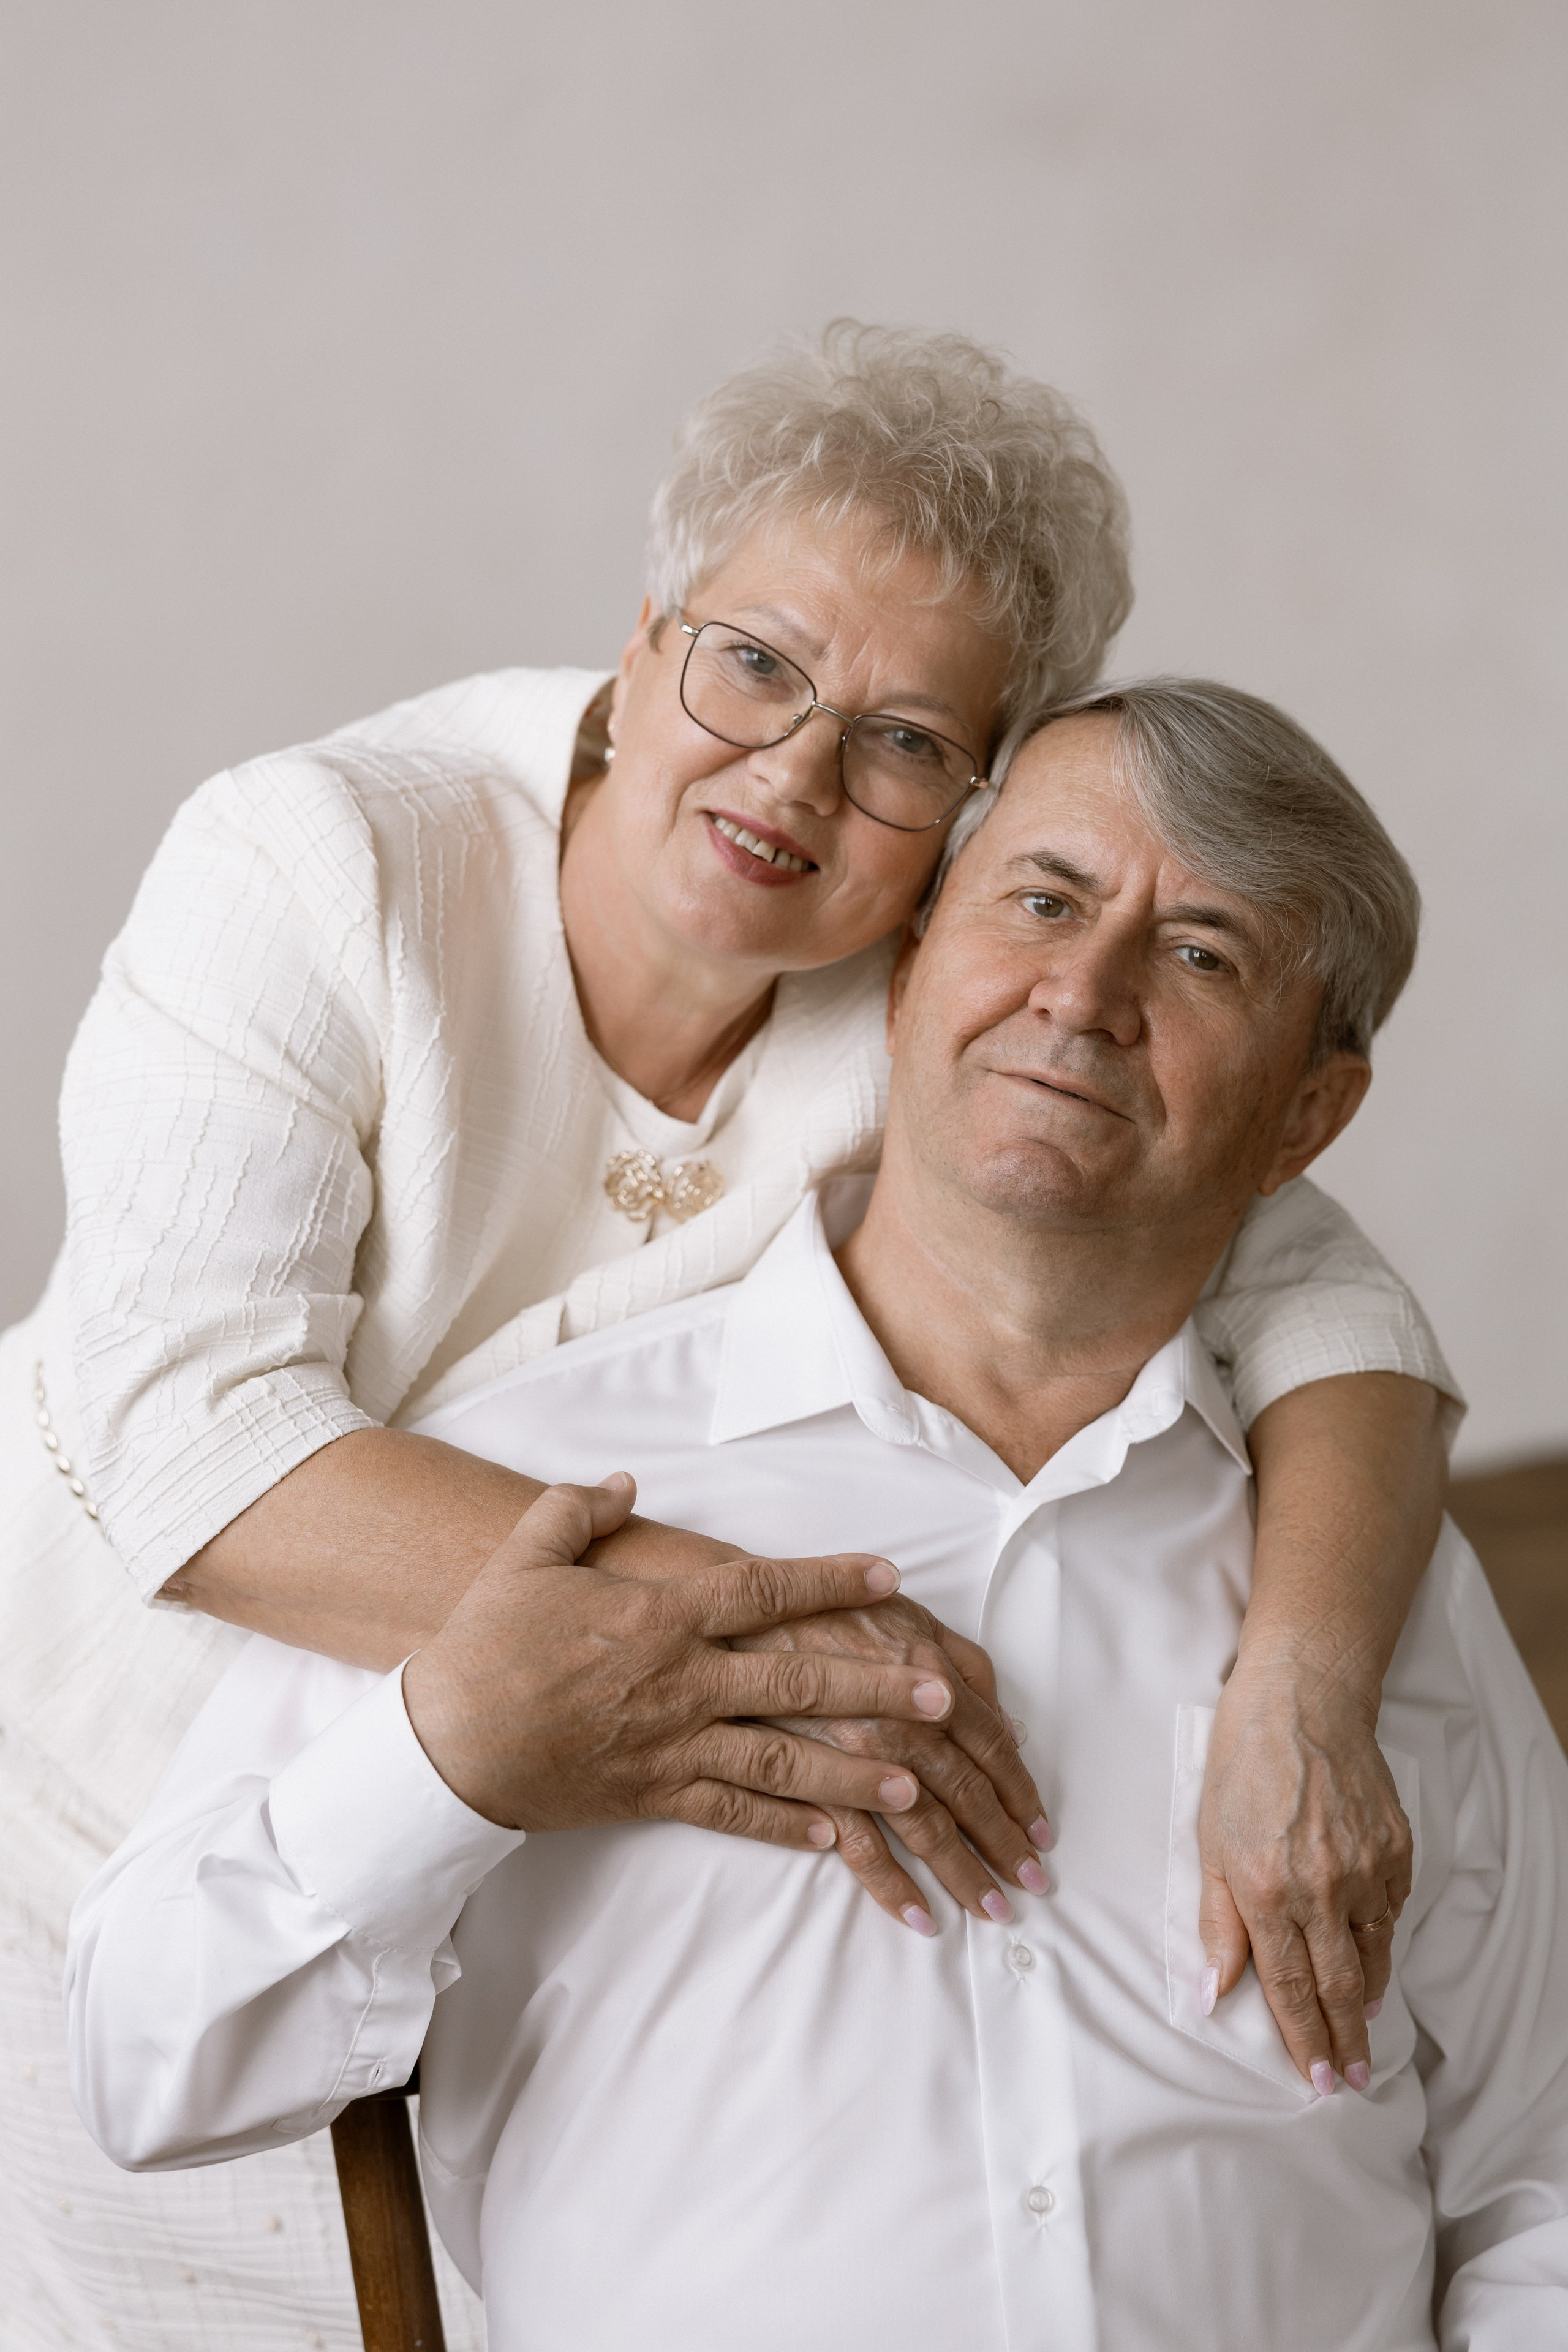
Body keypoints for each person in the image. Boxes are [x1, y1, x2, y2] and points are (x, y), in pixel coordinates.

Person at [11, 332, 1453, 2343]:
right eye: (754, 664)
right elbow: (183, 1434)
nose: (791, 775)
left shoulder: (942, 988)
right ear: (640, 639)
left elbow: (1312, 1283)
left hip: (551, 1846)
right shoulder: (320, 863)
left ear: (972, 803)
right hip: (130, 1839)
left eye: (906, 740)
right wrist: (771, 1644)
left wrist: (1302, 1677)